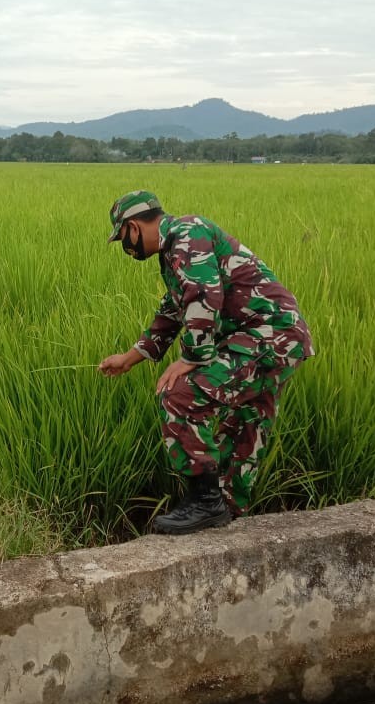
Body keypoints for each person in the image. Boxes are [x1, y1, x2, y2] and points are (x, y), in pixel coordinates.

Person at [98, 190, 313, 535]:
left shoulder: (187, 235)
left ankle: (205, 502)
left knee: (179, 395)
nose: (125, 247)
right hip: (278, 338)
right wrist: (130, 358)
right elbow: (171, 311)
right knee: (246, 419)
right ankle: (225, 506)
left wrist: (192, 358)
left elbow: (203, 296)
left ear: (133, 227)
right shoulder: (175, 249)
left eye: (122, 237)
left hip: (268, 337)